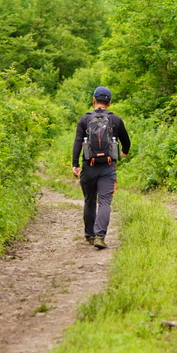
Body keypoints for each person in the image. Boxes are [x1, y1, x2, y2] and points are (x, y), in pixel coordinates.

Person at [72, 86, 131, 249]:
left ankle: (90, 235)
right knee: (104, 202)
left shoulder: (84, 119)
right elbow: (126, 141)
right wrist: (125, 151)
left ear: (93, 100)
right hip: (108, 167)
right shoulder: (116, 120)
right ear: (109, 103)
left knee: (89, 201)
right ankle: (100, 236)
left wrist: (75, 164)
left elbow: (78, 142)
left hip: (88, 167)